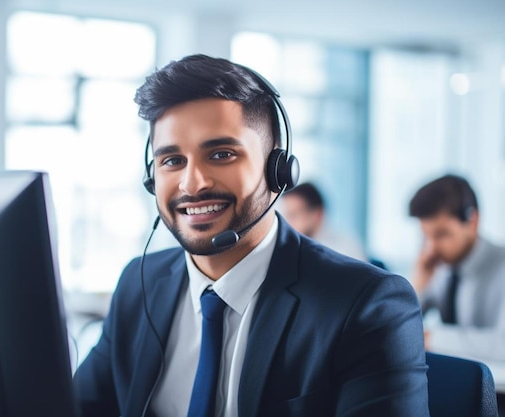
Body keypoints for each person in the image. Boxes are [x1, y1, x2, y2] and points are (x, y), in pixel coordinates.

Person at [73, 54, 428, 417]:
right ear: (152, 178)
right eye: (172, 160)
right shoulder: (140, 281)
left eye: (222, 154)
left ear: (278, 170)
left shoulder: (366, 305)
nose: (192, 184)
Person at [409, 174, 505, 362]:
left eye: (441, 234)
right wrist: (418, 284)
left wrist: (430, 337)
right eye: (426, 236)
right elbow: (398, 327)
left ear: (473, 221)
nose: (432, 247)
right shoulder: (438, 267)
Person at [279, 182, 368, 261]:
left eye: (293, 215)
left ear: (317, 214)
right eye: (286, 216)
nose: (286, 223)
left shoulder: (344, 249)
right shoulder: (292, 246)